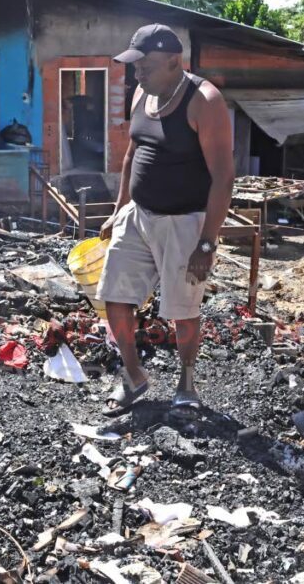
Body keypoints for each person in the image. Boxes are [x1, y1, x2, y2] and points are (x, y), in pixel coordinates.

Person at [96, 23, 235, 416]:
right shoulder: (143, 92)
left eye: (146, 67)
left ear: (175, 62)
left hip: (185, 223)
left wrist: (207, 242)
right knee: (114, 297)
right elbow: (131, 155)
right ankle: (134, 376)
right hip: (138, 216)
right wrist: (119, 208)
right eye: (134, 67)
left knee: (182, 309)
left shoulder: (204, 101)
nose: (137, 75)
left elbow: (224, 177)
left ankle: (186, 381)